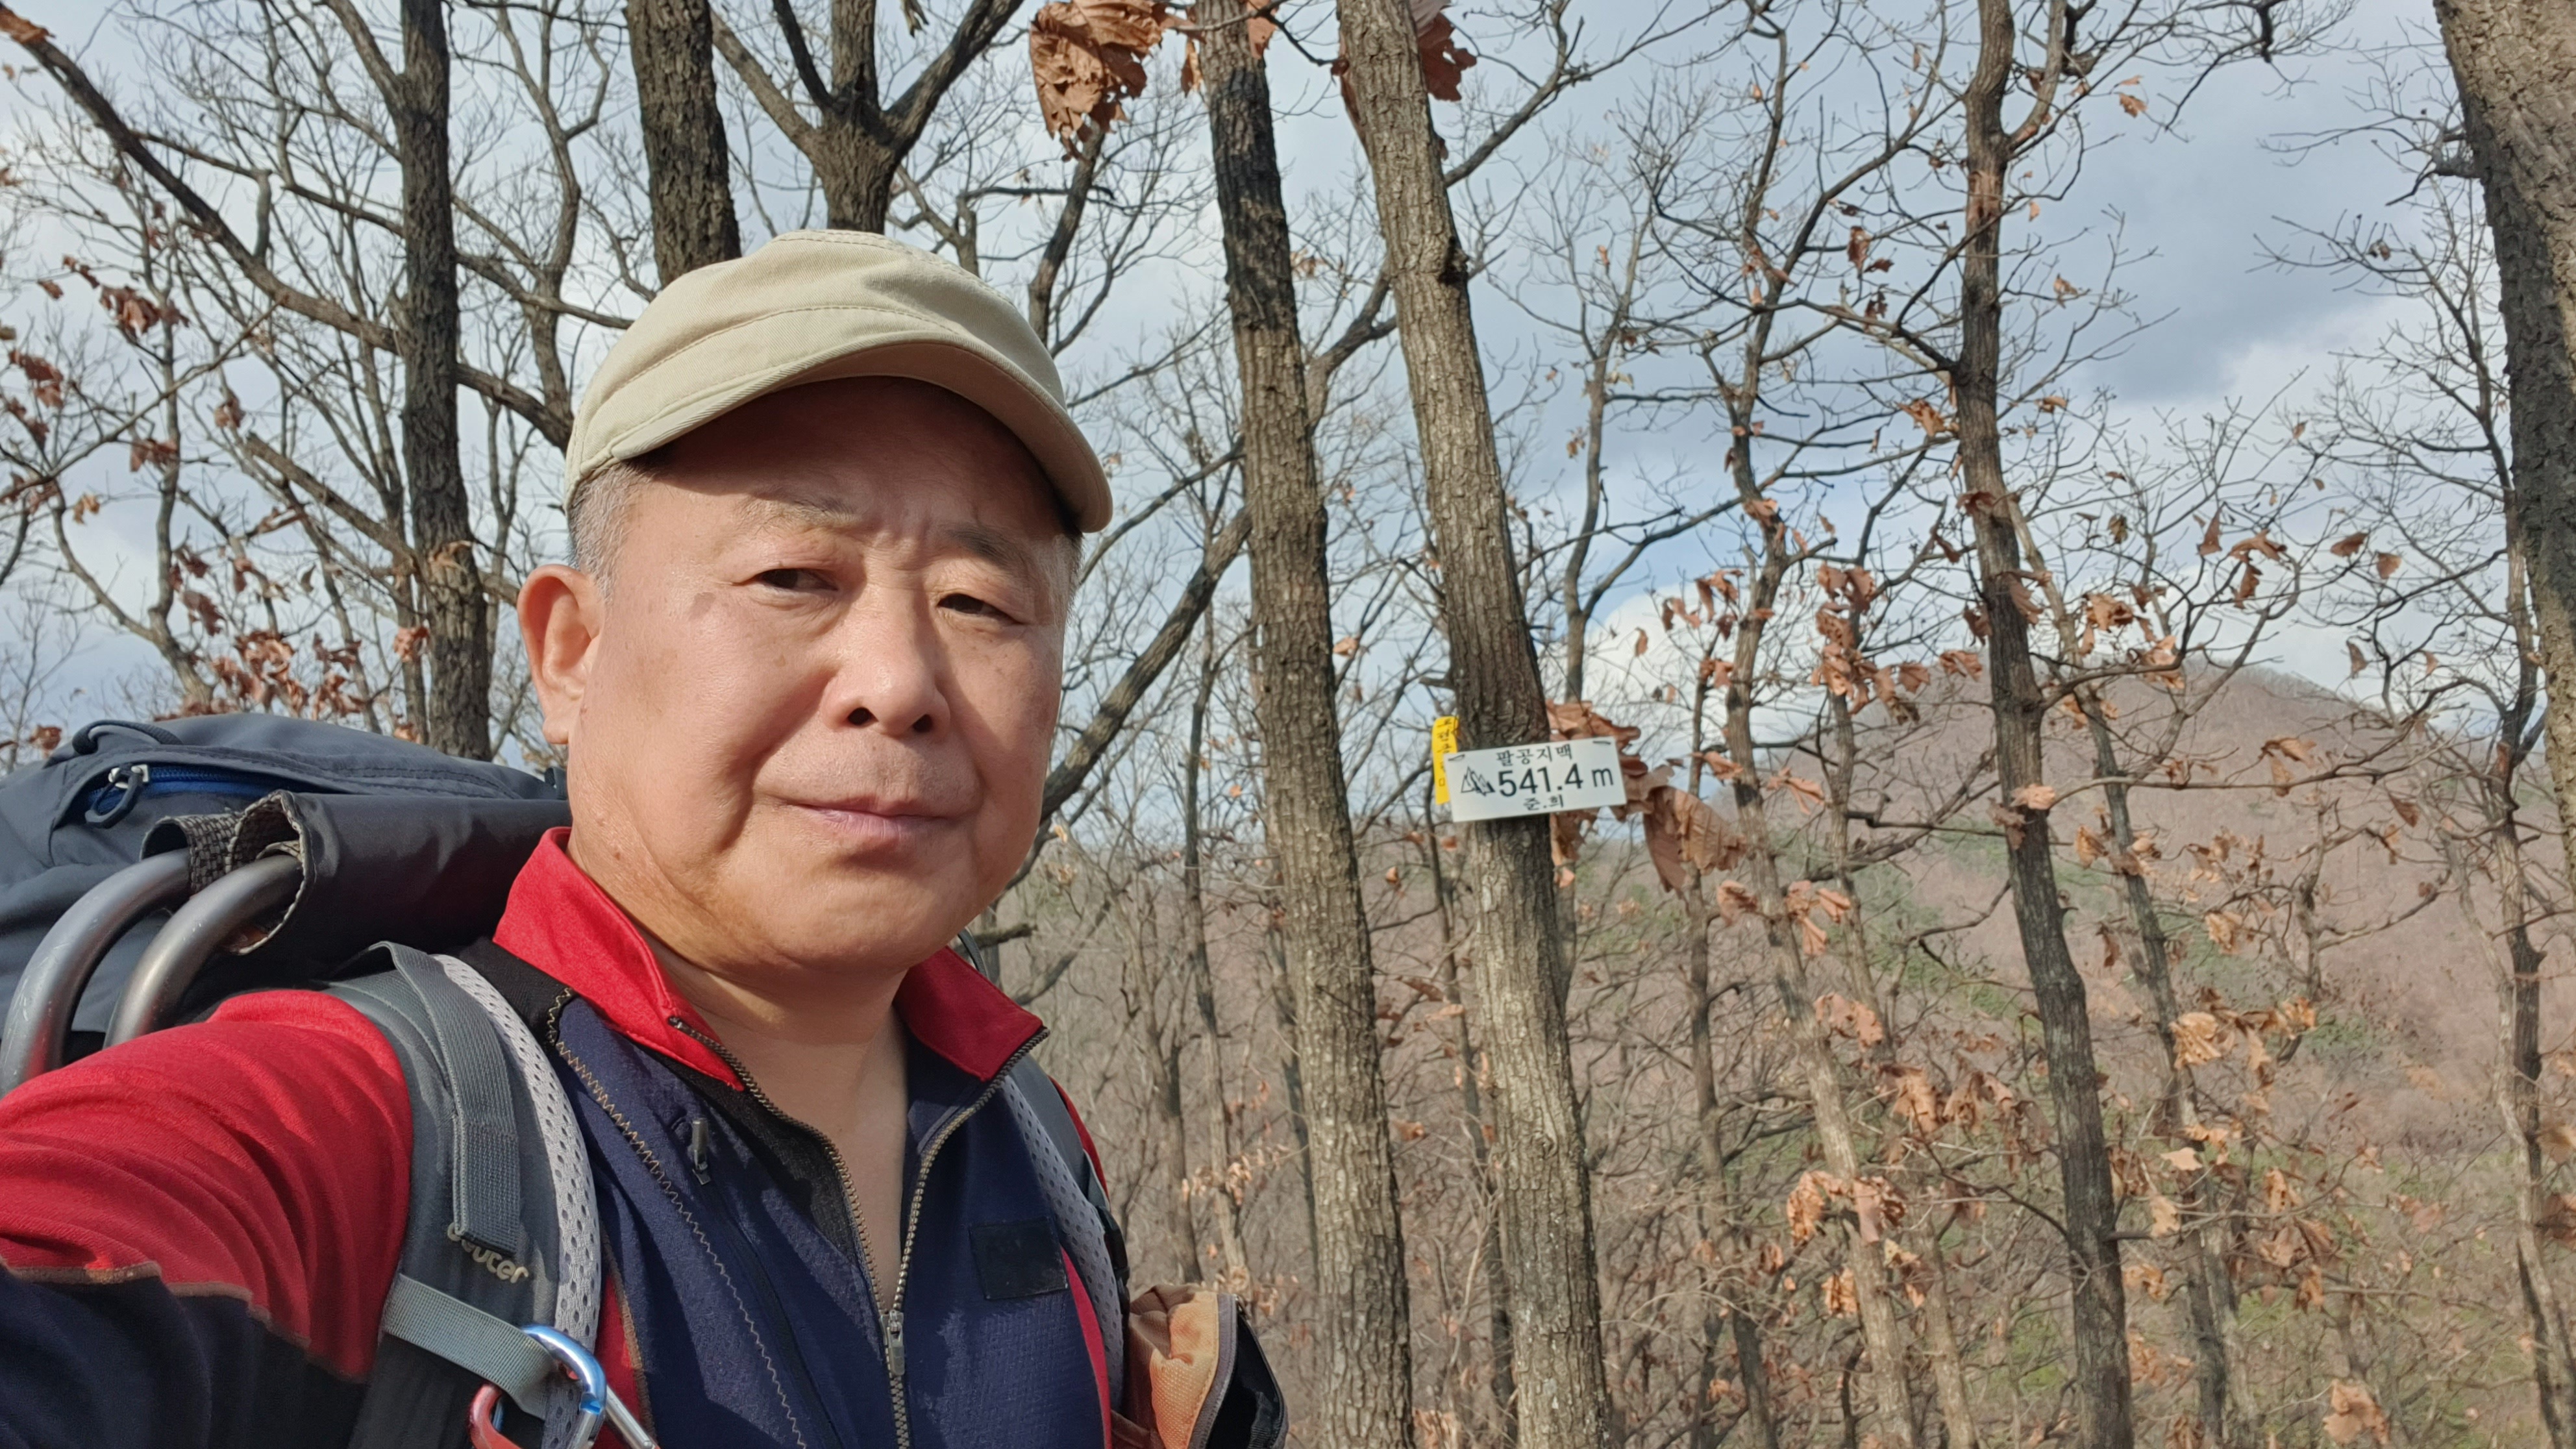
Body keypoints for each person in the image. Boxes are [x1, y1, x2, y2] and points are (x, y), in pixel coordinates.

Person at [0, 231, 1187, 1448]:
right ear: (570, 655)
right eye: (793, 577)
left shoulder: (1032, 1144)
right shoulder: (345, 1135)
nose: (899, 683)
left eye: (980, 603)